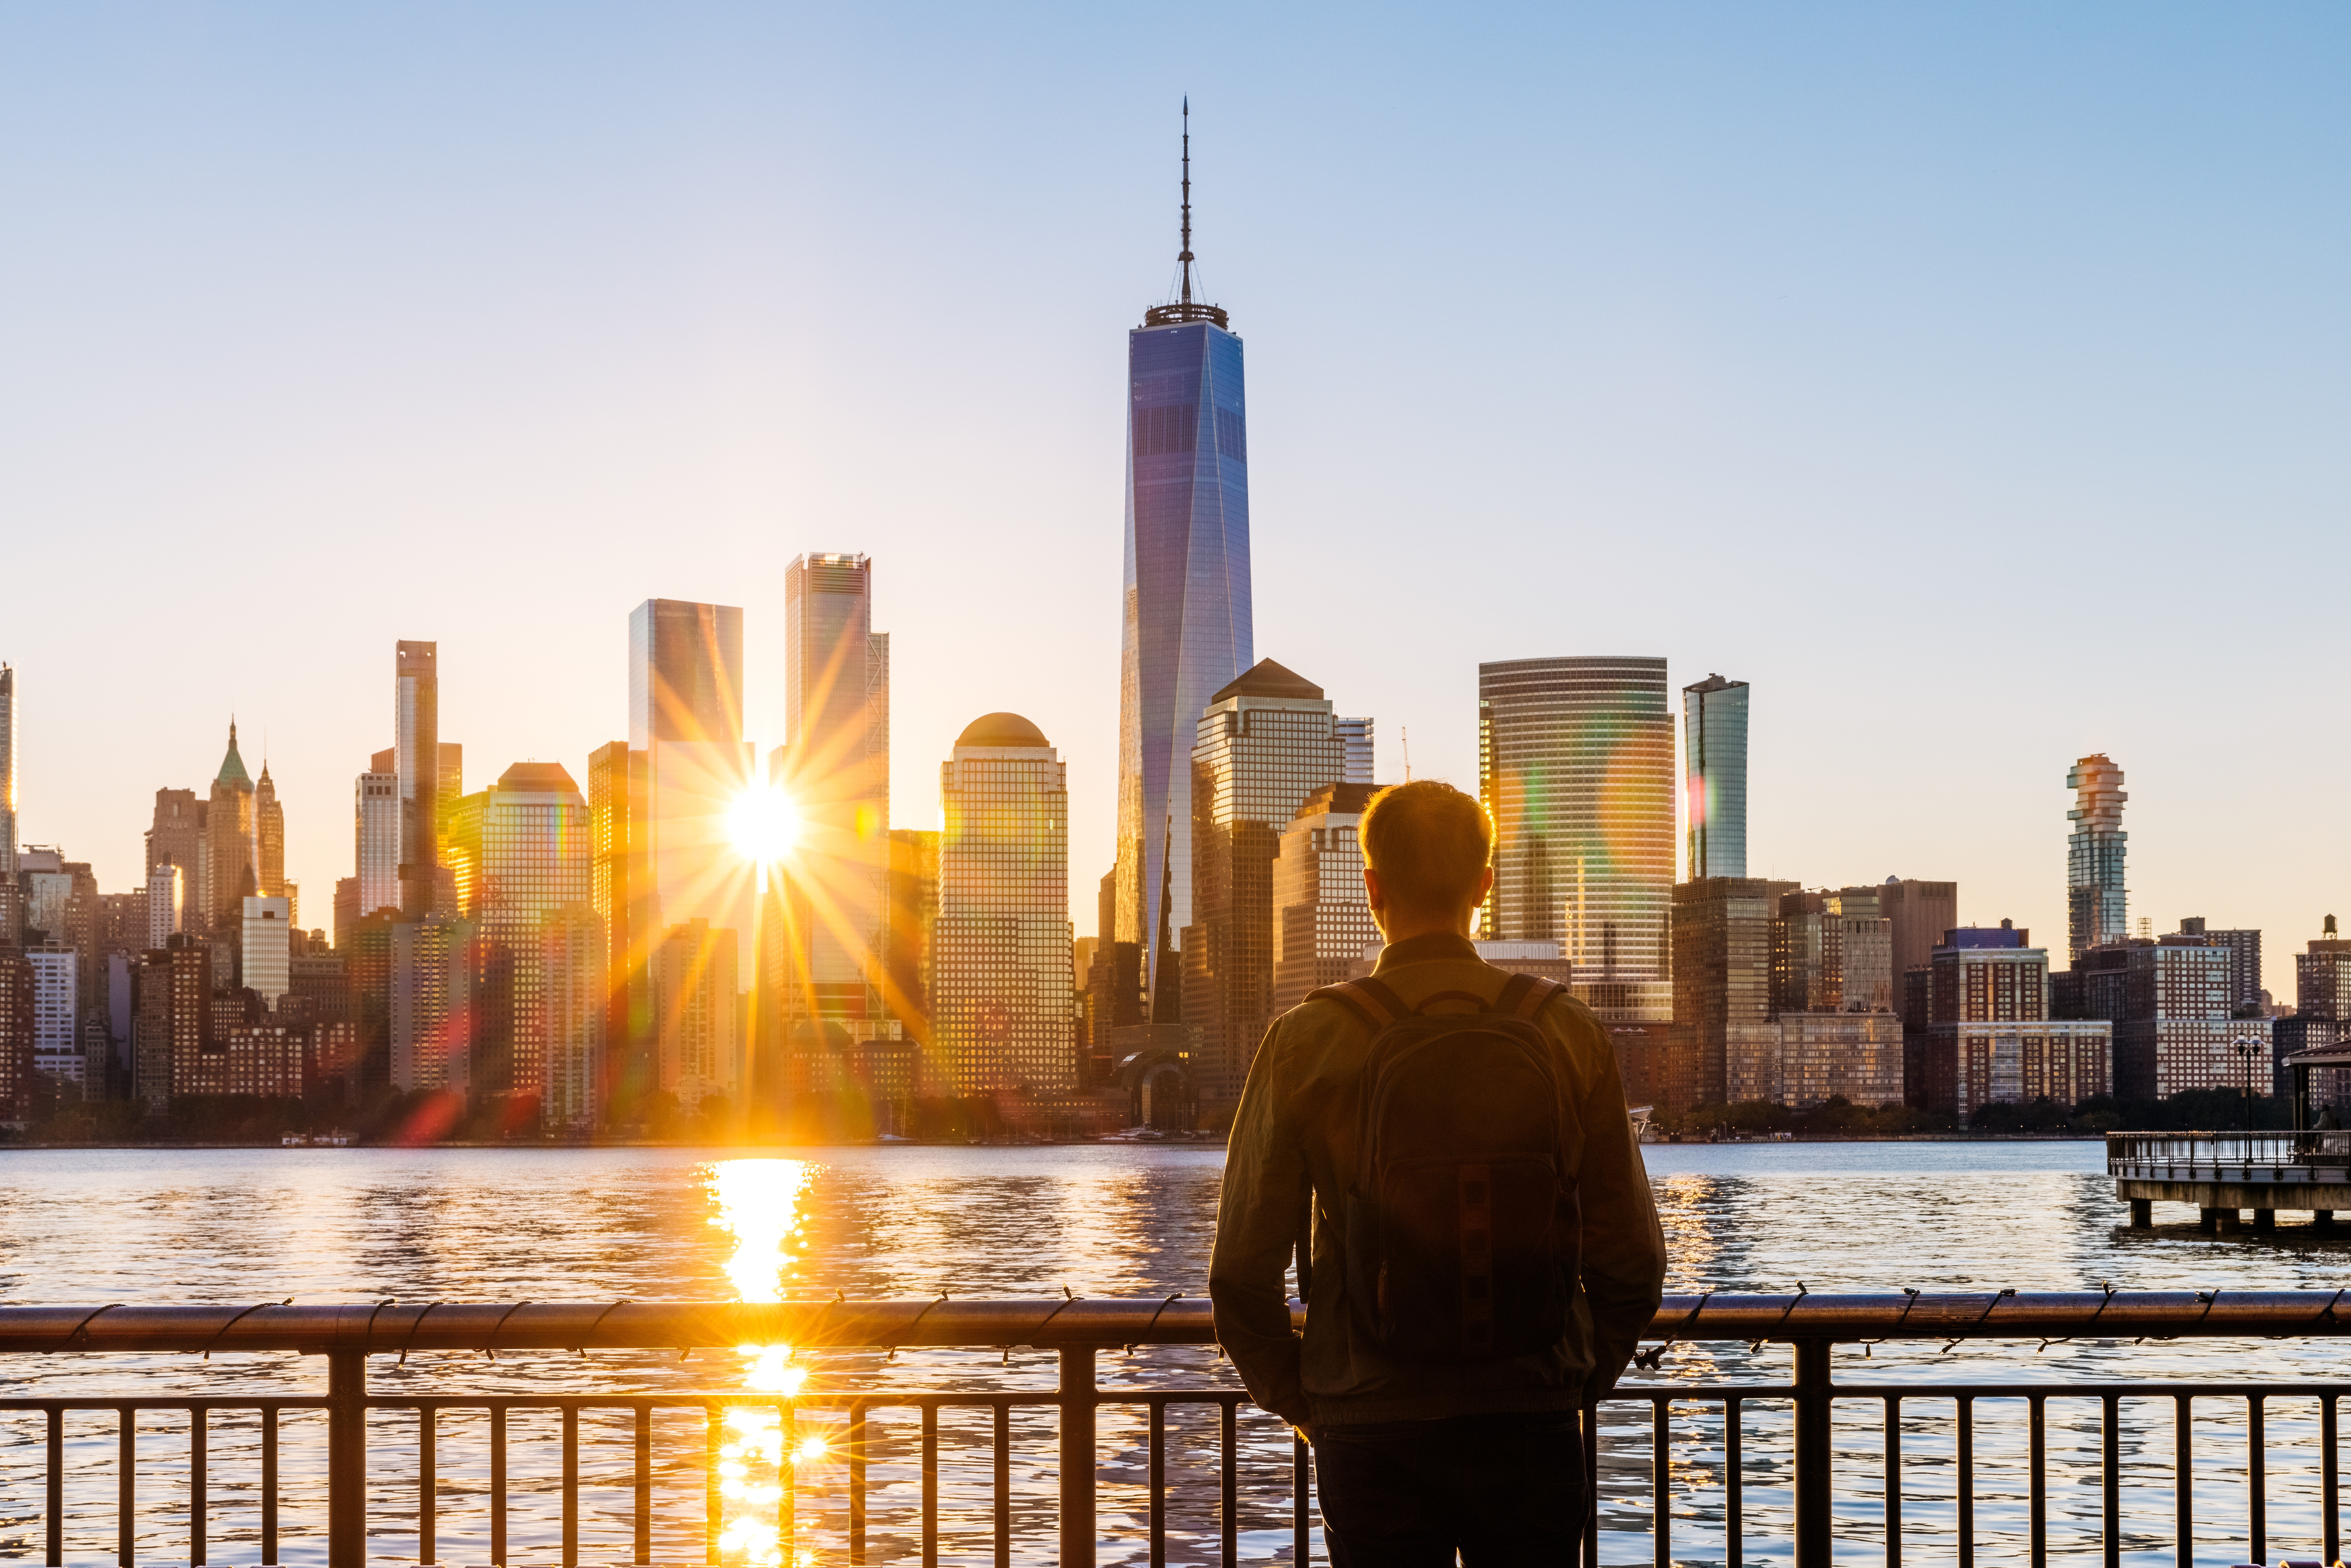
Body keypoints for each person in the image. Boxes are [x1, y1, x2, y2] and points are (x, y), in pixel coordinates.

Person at [1209, 779, 1666, 1565]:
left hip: (1369, 1423)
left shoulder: (1307, 1038)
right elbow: (1633, 1259)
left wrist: (1314, 1397)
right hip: (1533, 1416)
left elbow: (1240, 1275)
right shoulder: (1565, 1029)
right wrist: (1570, 1382)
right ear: (1483, 888)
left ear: (1373, 888)